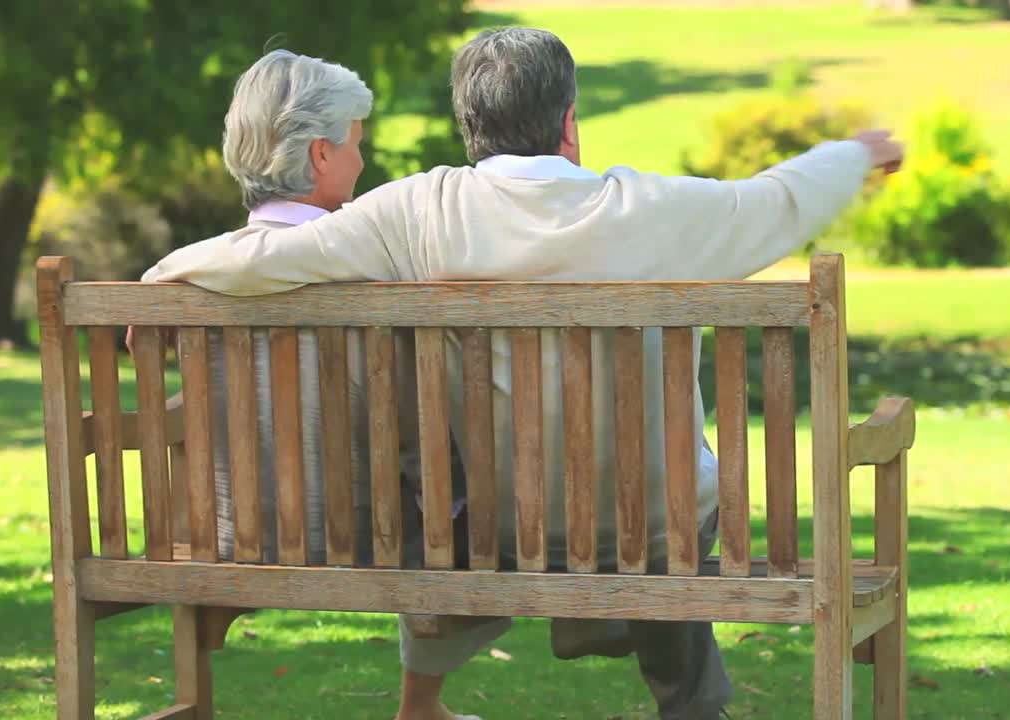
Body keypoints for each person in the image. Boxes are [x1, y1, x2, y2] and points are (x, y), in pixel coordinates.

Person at [142, 27, 904, 720]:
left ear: (470, 126)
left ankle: (596, 640)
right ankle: (683, 695)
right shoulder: (647, 209)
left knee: (491, 482)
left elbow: (273, 254)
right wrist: (856, 153)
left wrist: (162, 275)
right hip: (655, 528)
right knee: (666, 502)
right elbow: (775, 201)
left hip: (502, 529)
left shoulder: (418, 209)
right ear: (567, 123)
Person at [131, 49, 484, 720]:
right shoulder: (371, 277)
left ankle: (191, 697)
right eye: (356, 142)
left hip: (230, 536)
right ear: (321, 155)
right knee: (457, 505)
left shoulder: (199, 280)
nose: (362, 158)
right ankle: (420, 705)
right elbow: (419, 426)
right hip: (369, 537)